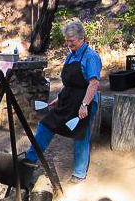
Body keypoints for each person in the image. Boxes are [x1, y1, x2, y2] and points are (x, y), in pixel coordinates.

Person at [26, 21, 102, 183]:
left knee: (80, 135)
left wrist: (85, 105)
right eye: (67, 41)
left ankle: (79, 174)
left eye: (71, 41)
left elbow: (93, 83)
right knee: (46, 124)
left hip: (84, 102)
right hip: (68, 100)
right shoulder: (70, 56)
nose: (68, 44)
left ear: (82, 38)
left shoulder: (91, 56)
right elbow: (69, 84)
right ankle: (30, 159)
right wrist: (59, 99)